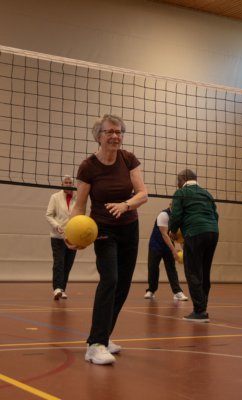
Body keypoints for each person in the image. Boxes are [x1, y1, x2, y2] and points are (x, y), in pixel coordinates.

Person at [65, 114, 148, 365]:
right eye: (110, 132)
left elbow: (142, 195)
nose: (115, 136)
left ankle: (104, 335)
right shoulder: (88, 167)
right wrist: (71, 235)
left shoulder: (128, 159)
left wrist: (125, 205)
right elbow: (79, 206)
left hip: (129, 227)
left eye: (119, 131)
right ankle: (95, 345)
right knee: (110, 279)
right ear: (98, 136)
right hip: (103, 229)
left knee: (122, 284)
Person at [169, 169, 219, 323]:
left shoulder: (180, 192)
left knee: (192, 271)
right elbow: (215, 215)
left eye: (178, 179)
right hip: (213, 232)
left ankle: (200, 312)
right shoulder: (207, 193)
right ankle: (202, 307)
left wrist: (172, 232)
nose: (177, 183)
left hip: (195, 232)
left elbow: (176, 215)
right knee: (204, 270)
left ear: (183, 179)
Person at [145, 203, 188, 301]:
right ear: (170, 205)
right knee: (153, 268)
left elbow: (180, 236)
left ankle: (177, 292)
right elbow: (164, 234)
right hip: (155, 245)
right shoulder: (164, 215)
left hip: (168, 246)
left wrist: (185, 249)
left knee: (171, 269)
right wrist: (173, 249)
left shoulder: (180, 218)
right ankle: (151, 290)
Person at [45, 175, 77, 300]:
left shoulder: (77, 198)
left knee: (68, 264)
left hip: (73, 237)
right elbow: (48, 215)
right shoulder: (55, 197)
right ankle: (57, 288)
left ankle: (62, 289)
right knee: (59, 263)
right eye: (66, 182)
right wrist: (57, 225)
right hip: (58, 237)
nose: (68, 184)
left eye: (70, 183)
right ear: (61, 184)